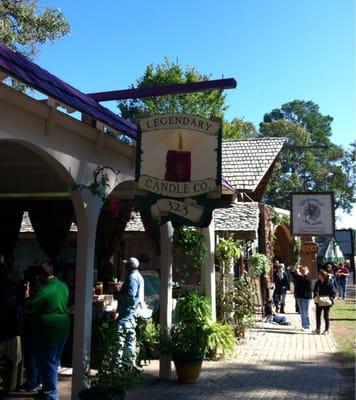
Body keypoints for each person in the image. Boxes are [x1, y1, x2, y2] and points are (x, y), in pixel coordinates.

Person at [26, 262, 69, 400]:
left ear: (43, 275)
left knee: (48, 363)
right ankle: (46, 390)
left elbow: (30, 306)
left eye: (39, 276)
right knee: (53, 361)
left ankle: (50, 395)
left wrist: (27, 294)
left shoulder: (43, 290)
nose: (37, 279)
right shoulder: (63, 286)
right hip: (63, 329)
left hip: (48, 331)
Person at [115, 257, 145, 366]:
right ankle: (129, 364)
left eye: (126, 264)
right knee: (130, 339)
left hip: (126, 314)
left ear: (129, 266)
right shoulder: (139, 276)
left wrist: (119, 294)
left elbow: (131, 297)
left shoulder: (132, 277)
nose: (125, 266)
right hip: (132, 314)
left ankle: (117, 366)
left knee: (120, 339)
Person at [313, 269, 336, 335]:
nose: (318, 276)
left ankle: (326, 330)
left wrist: (331, 298)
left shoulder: (329, 283)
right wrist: (315, 296)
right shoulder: (318, 282)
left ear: (323, 276)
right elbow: (315, 290)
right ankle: (318, 329)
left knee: (326, 316)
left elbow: (333, 292)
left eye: (319, 275)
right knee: (317, 315)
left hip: (326, 301)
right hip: (319, 301)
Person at [291, 265, 313, 332]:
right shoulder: (298, 277)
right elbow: (292, 272)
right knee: (301, 312)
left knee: (305, 312)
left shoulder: (308, 278)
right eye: (301, 270)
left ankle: (307, 326)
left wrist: (305, 274)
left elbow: (307, 283)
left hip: (306, 297)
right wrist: (296, 267)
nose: (302, 271)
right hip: (299, 296)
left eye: (304, 270)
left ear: (306, 271)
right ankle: (303, 325)